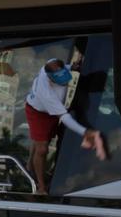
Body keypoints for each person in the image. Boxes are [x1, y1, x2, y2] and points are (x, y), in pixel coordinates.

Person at [25, 57, 106, 194]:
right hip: (38, 113)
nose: (64, 80)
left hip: (50, 111)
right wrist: (85, 132)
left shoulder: (53, 65)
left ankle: (30, 165)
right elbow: (66, 119)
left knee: (42, 138)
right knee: (43, 149)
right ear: (50, 78)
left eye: (64, 74)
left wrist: (71, 67)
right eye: (59, 78)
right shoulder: (47, 93)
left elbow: (59, 66)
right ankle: (41, 186)